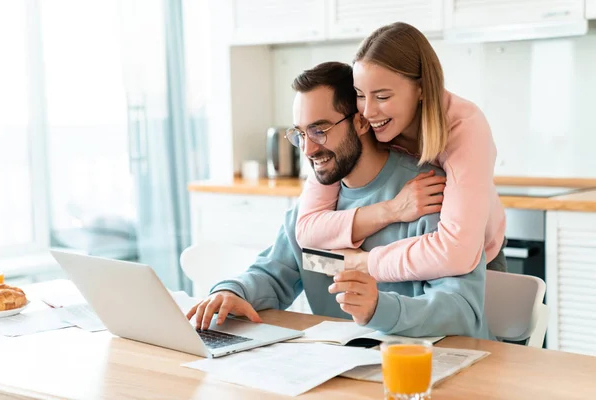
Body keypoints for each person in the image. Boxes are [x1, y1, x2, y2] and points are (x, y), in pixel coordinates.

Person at [186, 62, 491, 341]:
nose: (307, 150)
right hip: (335, 371)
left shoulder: (429, 194)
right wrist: (232, 291)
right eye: (300, 134)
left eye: (319, 130)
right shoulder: (313, 210)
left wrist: (379, 308)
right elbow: (272, 273)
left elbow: (462, 312)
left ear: (361, 122)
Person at [295, 22, 507, 282]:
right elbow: (306, 230)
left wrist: (362, 262)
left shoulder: (465, 126)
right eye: (360, 95)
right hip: (396, 260)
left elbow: (457, 252)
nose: (368, 112)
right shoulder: (362, 121)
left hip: (477, 264)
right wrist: (392, 210)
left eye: (382, 97)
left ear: (421, 89)